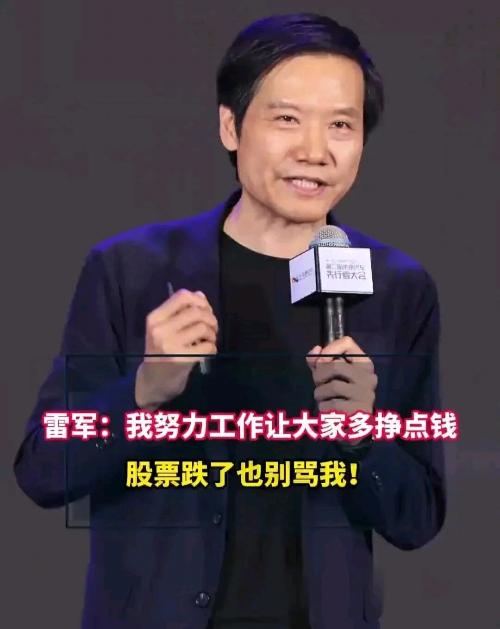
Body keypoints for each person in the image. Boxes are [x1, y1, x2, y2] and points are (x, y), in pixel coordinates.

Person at [13, 13, 446, 629]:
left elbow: (418, 516)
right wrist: (142, 392)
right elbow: (42, 469)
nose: (315, 151)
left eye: (341, 125)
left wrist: (361, 436)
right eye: (287, 119)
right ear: (230, 126)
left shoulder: (397, 288)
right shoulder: (131, 271)